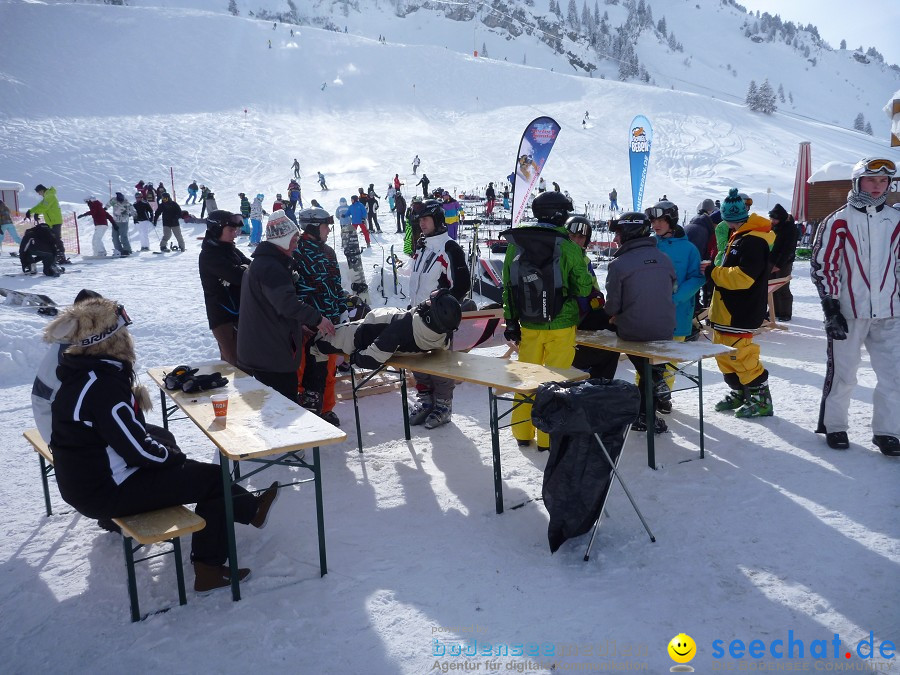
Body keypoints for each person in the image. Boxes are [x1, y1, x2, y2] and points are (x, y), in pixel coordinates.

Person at [46, 296, 280, 592]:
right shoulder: (102, 386)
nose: (128, 338)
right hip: (104, 492)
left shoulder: (86, 374)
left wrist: (169, 454)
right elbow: (138, 450)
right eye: (123, 333)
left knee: (163, 438)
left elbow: (126, 434)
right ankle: (210, 568)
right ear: (110, 340)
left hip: (86, 484)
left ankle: (249, 509)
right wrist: (174, 462)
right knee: (212, 479)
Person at [810, 158, 900, 456]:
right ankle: (835, 425)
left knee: (894, 375)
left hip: (889, 312)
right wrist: (831, 308)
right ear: (857, 181)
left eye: (884, 182)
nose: (878, 186)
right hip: (849, 311)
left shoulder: (895, 220)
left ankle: (887, 432)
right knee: (845, 373)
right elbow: (825, 266)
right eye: (872, 180)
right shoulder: (838, 220)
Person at [501, 191, 594, 450]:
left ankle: (522, 432)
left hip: (529, 324)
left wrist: (511, 321)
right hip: (562, 325)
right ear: (560, 214)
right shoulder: (567, 245)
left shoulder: (516, 243)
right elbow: (584, 286)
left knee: (527, 379)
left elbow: (508, 286)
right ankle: (548, 438)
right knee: (556, 382)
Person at [237, 211, 335, 401]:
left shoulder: (268, 262)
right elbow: (286, 304)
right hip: (269, 355)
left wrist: (299, 326)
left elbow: (271, 307)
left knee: (273, 404)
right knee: (281, 406)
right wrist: (318, 319)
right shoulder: (271, 267)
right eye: (293, 239)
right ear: (281, 240)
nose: (296, 245)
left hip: (264, 349)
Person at [305, 291, 462, 399]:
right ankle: (317, 396)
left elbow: (371, 359)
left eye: (429, 304)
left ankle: (313, 397)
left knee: (314, 344)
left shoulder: (402, 327)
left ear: (430, 317)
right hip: (380, 328)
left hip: (361, 334)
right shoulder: (442, 337)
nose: (425, 303)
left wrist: (353, 358)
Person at [604, 211, 677, 432]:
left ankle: (641, 410)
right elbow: (672, 290)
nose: (616, 238)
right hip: (665, 328)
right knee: (650, 369)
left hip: (633, 330)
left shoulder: (619, 264)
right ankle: (648, 407)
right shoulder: (664, 258)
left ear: (628, 233)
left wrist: (611, 315)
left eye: (618, 233)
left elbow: (612, 305)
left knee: (644, 366)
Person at [708, 188, 775, 419]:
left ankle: (761, 398)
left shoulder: (753, 240)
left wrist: (713, 272)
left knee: (741, 356)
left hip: (740, 312)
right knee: (723, 355)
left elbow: (743, 278)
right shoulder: (739, 237)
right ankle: (740, 392)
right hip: (726, 311)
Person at [406, 200, 471, 428]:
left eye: (425, 219)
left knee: (441, 364)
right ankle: (426, 402)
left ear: (437, 220)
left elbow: (462, 285)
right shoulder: (422, 246)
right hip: (417, 314)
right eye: (419, 220)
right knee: (418, 361)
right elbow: (416, 281)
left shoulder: (450, 247)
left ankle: (443, 406)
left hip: (438, 320)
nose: (421, 224)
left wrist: (443, 311)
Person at [292, 207, 357, 424]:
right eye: (325, 226)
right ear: (312, 226)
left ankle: (325, 409)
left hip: (330, 325)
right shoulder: (295, 251)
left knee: (328, 371)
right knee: (303, 372)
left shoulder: (328, 252)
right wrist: (302, 321)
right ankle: (302, 411)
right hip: (307, 326)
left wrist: (342, 310)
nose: (329, 230)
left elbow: (336, 285)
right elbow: (290, 292)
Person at [647, 200, 704, 413]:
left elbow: (697, 277)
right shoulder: (649, 244)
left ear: (671, 221)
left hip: (676, 314)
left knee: (668, 361)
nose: (656, 224)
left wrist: (676, 298)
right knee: (646, 358)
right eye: (653, 220)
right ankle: (643, 397)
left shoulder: (689, 249)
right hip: (648, 314)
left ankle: (663, 396)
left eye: (661, 220)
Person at [199, 211, 252, 366]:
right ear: (216, 230)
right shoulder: (209, 255)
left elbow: (252, 266)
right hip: (222, 318)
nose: (235, 234)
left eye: (235, 230)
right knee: (236, 363)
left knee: (239, 363)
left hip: (238, 313)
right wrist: (243, 269)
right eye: (231, 230)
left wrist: (244, 268)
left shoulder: (230, 249)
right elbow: (239, 276)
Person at [685, 199, 719, 308]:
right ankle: (694, 309)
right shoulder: (702, 231)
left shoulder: (699, 224)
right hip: (687, 265)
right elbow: (696, 256)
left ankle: (696, 307)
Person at [766, 203, 798, 321]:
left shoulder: (790, 229)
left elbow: (788, 249)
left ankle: (785, 312)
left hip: (784, 262)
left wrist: (779, 265)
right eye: (772, 218)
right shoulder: (773, 227)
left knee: (782, 287)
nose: (773, 221)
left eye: (775, 219)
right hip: (771, 261)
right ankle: (774, 311)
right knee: (770, 287)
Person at [25, 184, 66, 263]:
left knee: (56, 238)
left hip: (55, 221)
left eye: (39, 193)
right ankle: (55, 256)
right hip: (51, 222)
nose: (39, 194)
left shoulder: (50, 195)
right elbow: (40, 205)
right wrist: (31, 211)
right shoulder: (47, 196)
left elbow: (44, 207)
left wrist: (35, 212)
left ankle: (61, 256)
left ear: (41, 190)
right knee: (51, 239)